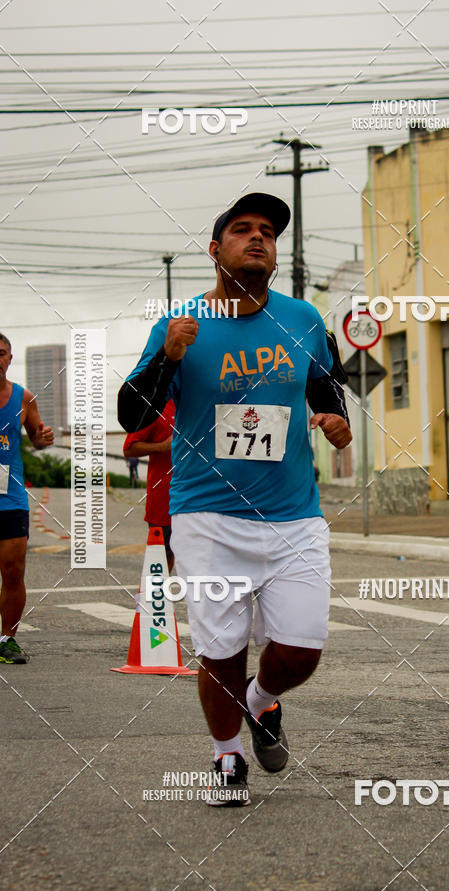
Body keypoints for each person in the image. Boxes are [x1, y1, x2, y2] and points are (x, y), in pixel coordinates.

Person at [118, 192, 351, 805]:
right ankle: (226, 756)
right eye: (243, 230)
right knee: (220, 651)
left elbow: (328, 388)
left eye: (268, 232)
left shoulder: (302, 319)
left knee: (301, 651)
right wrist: (166, 359)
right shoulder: (181, 325)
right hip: (208, 516)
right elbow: (131, 415)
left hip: (294, 516)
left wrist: (334, 420)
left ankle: (258, 701)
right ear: (216, 248)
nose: (259, 238)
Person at [0, 333, 54, 664]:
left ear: (9, 358)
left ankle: (7, 639)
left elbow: (38, 439)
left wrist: (44, 438)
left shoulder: (24, 398)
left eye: (2, 353)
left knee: (13, 569)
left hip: (10, 497)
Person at [123, 399, 175, 570]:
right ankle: (155, 595)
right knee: (163, 555)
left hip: (201, 497)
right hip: (164, 499)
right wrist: (162, 447)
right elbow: (129, 449)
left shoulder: (201, 403)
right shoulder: (154, 408)